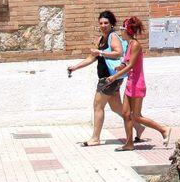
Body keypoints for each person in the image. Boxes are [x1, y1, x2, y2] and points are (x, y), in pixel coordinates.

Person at [65, 10, 135, 147]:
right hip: (107, 77)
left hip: (110, 77)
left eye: (106, 23)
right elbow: (92, 58)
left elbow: (118, 53)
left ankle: (95, 138)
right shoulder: (100, 39)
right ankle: (138, 125)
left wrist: (101, 52)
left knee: (98, 105)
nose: (103, 25)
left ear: (112, 24)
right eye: (101, 23)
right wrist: (75, 67)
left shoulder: (113, 36)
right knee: (116, 107)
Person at [106, 16, 171, 151]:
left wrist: (114, 77)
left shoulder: (135, 44)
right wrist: (120, 66)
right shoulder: (129, 44)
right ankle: (129, 144)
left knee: (136, 116)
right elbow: (127, 62)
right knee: (125, 114)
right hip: (130, 83)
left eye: (122, 29)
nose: (120, 32)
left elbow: (131, 66)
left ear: (127, 30)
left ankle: (163, 129)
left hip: (137, 84)